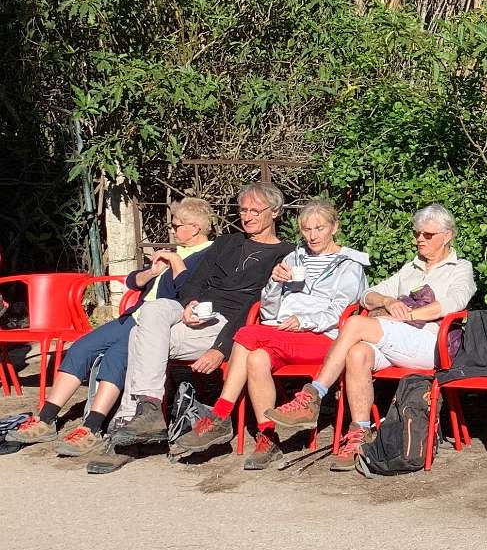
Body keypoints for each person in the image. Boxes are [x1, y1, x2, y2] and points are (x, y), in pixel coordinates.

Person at [87, 184, 294, 473]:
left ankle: (128, 434)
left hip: (226, 324)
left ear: (275, 212)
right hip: (196, 313)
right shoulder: (226, 243)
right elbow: (195, 280)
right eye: (243, 210)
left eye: (255, 211)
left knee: (136, 336)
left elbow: (256, 306)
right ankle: (149, 407)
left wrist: (220, 348)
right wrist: (190, 302)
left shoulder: (285, 254)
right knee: (154, 308)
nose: (247, 216)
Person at [268, 203, 474, 471]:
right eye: (417, 234)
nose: (419, 239)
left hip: (432, 343)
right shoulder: (411, 268)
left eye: (427, 235)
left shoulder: (460, 268)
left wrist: (407, 316)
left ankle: (313, 395)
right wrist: (388, 301)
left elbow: (453, 303)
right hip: (399, 341)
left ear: (447, 236)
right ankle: (359, 433)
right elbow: (368, 295)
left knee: (355, 323)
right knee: (358, 353)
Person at [169, 199, 369, 469]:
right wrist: (274, 283)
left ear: (334, 228)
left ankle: (221, 414)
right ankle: (267, 438)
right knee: (257, 358)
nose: (312, 236)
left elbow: (341, 312)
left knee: (247, 333)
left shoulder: (348, 264)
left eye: (319, 228)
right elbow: (269, 310)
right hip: (284, 333)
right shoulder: (294, 258)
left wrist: (304, 321)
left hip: (325, 338)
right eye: (307, 229)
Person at [8, 198, 215, 457]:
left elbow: (188, 293)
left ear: (195, 228)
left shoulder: (208, 256)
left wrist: (175, 263)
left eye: (176, 226)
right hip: (132, 314)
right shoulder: (171, 251)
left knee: (117, 356)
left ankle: (92, 426)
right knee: (81, 348)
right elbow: (132, 281)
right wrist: (152, 272)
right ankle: (46, 419)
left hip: (157, 322)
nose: (171, 231)